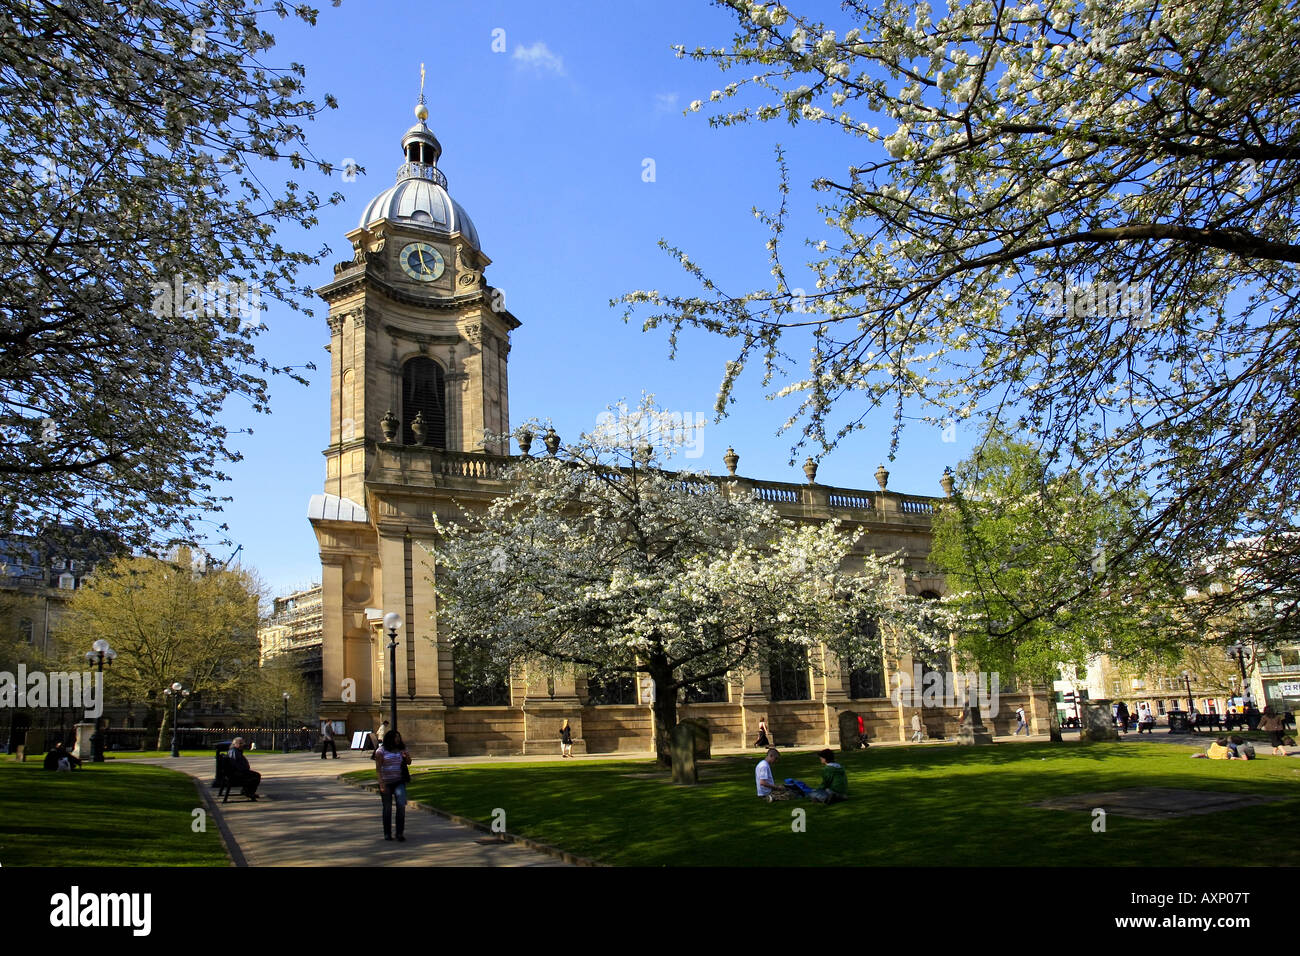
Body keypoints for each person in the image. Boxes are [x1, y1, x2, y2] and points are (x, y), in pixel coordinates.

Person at [373, 729, 412, 840]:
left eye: (399, 737)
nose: (398, 739)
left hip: (399, 781)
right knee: (387, 808)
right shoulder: (381, 751)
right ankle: (387, 833)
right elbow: (378, 769)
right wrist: (381, 783)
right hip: (386, 782)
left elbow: (409, 762)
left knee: (401, 806)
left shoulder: (402, 749)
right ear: (390, 739)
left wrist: (406, 757)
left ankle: (399, 833)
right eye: (396, 737)